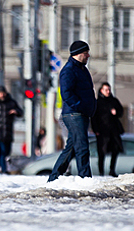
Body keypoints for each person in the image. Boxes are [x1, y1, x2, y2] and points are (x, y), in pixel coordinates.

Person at [48, 41, 96, 182]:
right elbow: (66, 93)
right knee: (82, 147)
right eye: (86, 53)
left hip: (81, 113)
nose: (88, 55)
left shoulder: (81, 69)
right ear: (78, 54)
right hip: (74, 114)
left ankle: (54, 178)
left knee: (72, 147)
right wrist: (80, 106)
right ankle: (85, 179)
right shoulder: (69, 70)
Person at [91, 82, 124, 177]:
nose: (108, 91)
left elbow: (121, 112)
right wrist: (96, 130)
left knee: (115, 149)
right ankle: (101, 172)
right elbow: (93, 118)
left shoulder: (114, 101)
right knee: (101, 152)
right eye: (106, 90)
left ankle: (112, 170)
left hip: (113, 130)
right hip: (102, 132)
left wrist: (116, 112)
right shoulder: (98, 103)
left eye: (109, 89)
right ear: (101, 90)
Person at [0, 85, 23, 174]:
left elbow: (21, 112)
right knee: (3, 151)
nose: (2, 95)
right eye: (0, 93)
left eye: (3, 93)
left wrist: (15, 111)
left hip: (8, 131)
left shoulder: (11, 102)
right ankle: (4, 170)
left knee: (7, 152)